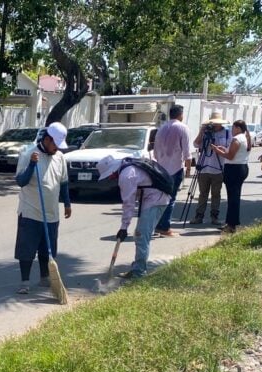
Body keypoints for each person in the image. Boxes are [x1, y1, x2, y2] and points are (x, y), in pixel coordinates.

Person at [13, 122, 72, 295]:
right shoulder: (29, 153)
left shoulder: (60, 157)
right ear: (47, 140)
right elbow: (21, 182)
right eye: (55, 144)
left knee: (48, 249)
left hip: (52, 212)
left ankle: (45, 277)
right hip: (30, 211)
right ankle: (24, 281)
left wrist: (67, 203)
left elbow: (64, 182)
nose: (57, 149)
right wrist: (31, 165)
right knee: (27, 249)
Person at [97, 155, 174, 279]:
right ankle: (137, 268)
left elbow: (128, 204)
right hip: (153, 198)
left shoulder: (126, 176)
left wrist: (123, 228)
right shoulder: (128, 165)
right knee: (140, 235)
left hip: (156, 199)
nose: (110, 179)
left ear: (112, 171)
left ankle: (139, 272)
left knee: (141, 235)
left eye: (109, 176)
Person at [152, 104, 193, 237]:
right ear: (180, 114)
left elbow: (156, 151)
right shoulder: (183, 127)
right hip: (175, 168)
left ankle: (158, 225)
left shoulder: (161, 128)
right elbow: (187, 152)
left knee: (161, 198)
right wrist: (188, 169)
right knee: (171, 198)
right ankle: (164, 227)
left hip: (161, 168)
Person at [211, 119, 251, 234]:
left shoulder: (237, 139)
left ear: (238, 128)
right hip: (241, 167)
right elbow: (237, 153)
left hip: (234, 169)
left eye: (233, 128)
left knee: (233, 198)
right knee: (234, 197)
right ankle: (230, 223)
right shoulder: (245, 138)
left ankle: (232, 225)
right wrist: (225, 149)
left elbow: (230, 156)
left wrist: (217, 151)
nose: (232, 130)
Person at [191, 113, 231, 225]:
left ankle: (214, 217)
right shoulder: (206, 132)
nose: (214, 125)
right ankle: (199, 216)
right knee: (202, 194)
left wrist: (218, 148)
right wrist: (201, 132)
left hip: (218, 168)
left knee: (216, 194)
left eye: (216, 123)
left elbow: (229, 150)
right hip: (204, 168)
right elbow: (195, 144)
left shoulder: (227, 133)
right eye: (213, 123)